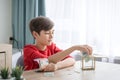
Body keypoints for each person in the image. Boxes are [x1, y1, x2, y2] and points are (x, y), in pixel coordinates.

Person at [24, 16, 92, 71]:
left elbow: (71, 60)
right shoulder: (28, 50)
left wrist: (57, 66)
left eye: (53, 32)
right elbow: (47, 61)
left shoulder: (51, 46)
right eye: (47, 33)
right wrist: (74, 48)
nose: (51, 36)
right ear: (35, 34)